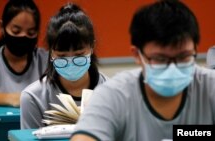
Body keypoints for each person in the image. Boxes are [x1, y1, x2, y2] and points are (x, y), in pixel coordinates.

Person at [70, 0, 215, 141]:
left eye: (183, 56)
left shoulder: (211, 86)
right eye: (160, 59)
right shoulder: (114, 95)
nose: (173, 67)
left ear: (195, 49)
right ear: (137, 55)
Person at [20, 3, 108, 129]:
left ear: (92, 47)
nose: (71, 62)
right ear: (51, 51)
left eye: (79, 55)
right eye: (62, 56)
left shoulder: (112, 94)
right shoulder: (33, 98)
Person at [0, 0, 48, 107]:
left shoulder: (45, 60)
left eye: (31, 33)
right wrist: (15, 99)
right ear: (2, 27)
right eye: (16, 31)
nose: (23, 36)